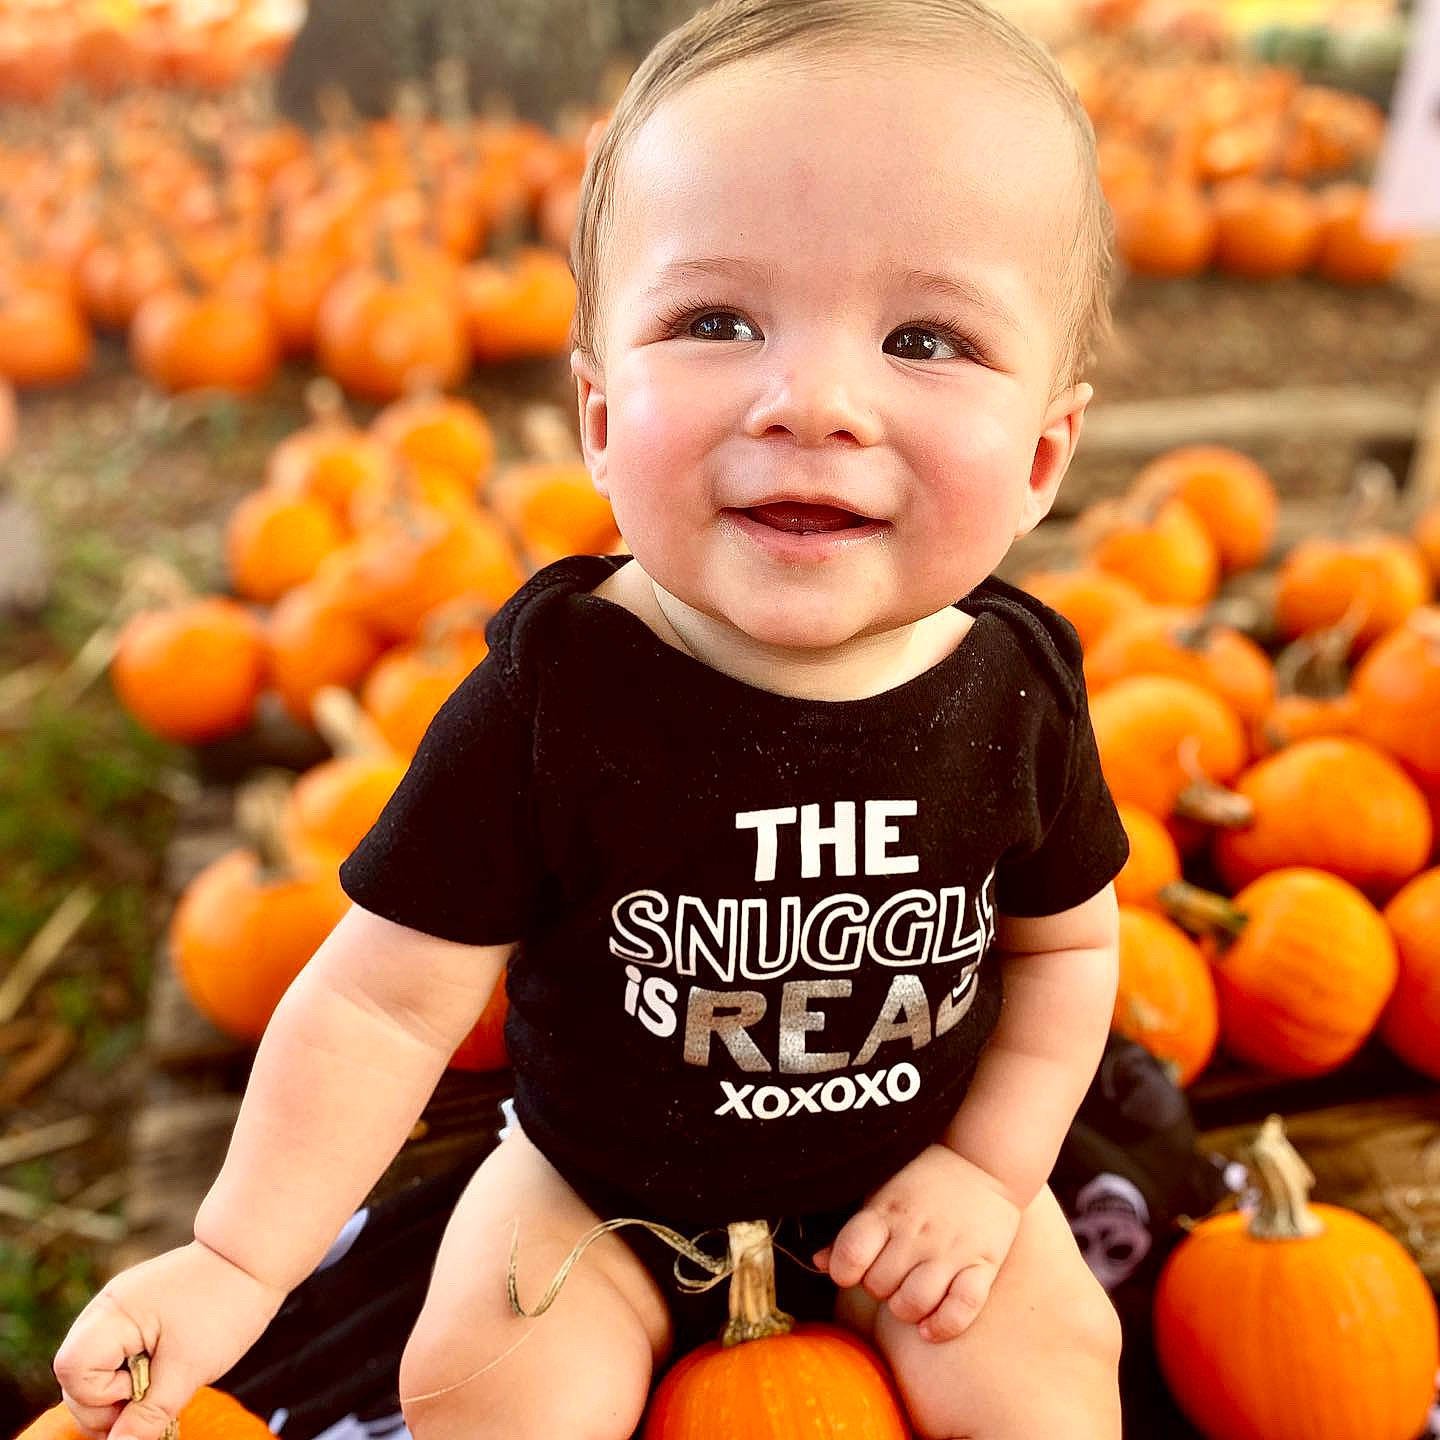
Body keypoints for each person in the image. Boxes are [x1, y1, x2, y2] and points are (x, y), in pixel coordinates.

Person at [54, 0, 1132, 1435]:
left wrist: (990, 1173)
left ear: (1045, 453)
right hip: (597, 1197)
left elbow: (1066, 954)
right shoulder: (552, 699)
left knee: (1054, 1372)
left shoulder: (1017, 692)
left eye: (925, 338)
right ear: (601, 417)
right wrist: (238, 1259)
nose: (811, 398)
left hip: (907, 1171)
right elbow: (379, 1005)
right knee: (483, 1387)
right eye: (717, 321)